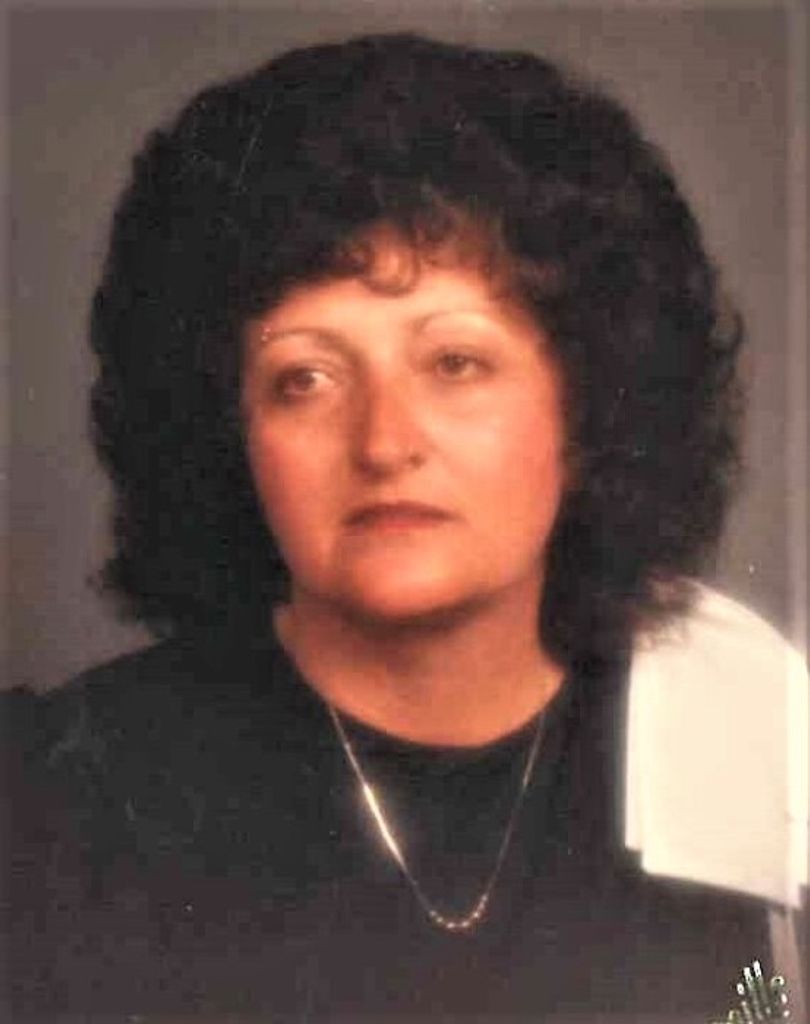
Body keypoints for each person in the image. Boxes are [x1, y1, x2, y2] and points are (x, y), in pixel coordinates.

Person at [6, 32, 806, 1022]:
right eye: (305, 378)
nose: (385, 441)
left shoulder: (755, 747)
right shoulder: (49, 807)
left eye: (455, 364)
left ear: (590, 400)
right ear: (228, 431)